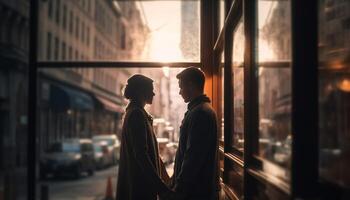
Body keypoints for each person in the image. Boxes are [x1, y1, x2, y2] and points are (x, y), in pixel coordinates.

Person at [116, 74, 174, 200]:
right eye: (151, 90)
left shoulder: (136, 113)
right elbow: (142, 155)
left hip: (139, 187)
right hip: (139, 189)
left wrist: (165, 179)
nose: (153, 94)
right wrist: (161, 188)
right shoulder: (137, 114)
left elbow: (149, 153)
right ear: (141, 91)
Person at [171, 67, 219, 200]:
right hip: (199, 189)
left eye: (181, 87)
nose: (180, 92)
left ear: (191, 85)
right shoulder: (202, 110)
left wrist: (178, 188)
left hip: (196, 192)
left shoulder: (199, 113)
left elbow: (192, 156)